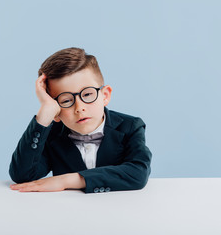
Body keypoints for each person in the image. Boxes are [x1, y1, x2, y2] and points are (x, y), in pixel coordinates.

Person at [9, 47, 152, 193]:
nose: (79, 108)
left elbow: (138, 173)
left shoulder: (130, 126)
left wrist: (67, 180)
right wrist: (44, 116)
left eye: (88, 94)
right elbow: (22, 176)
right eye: (65, 101)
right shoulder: (52, 135)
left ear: (105, 95)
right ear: (56, 111)